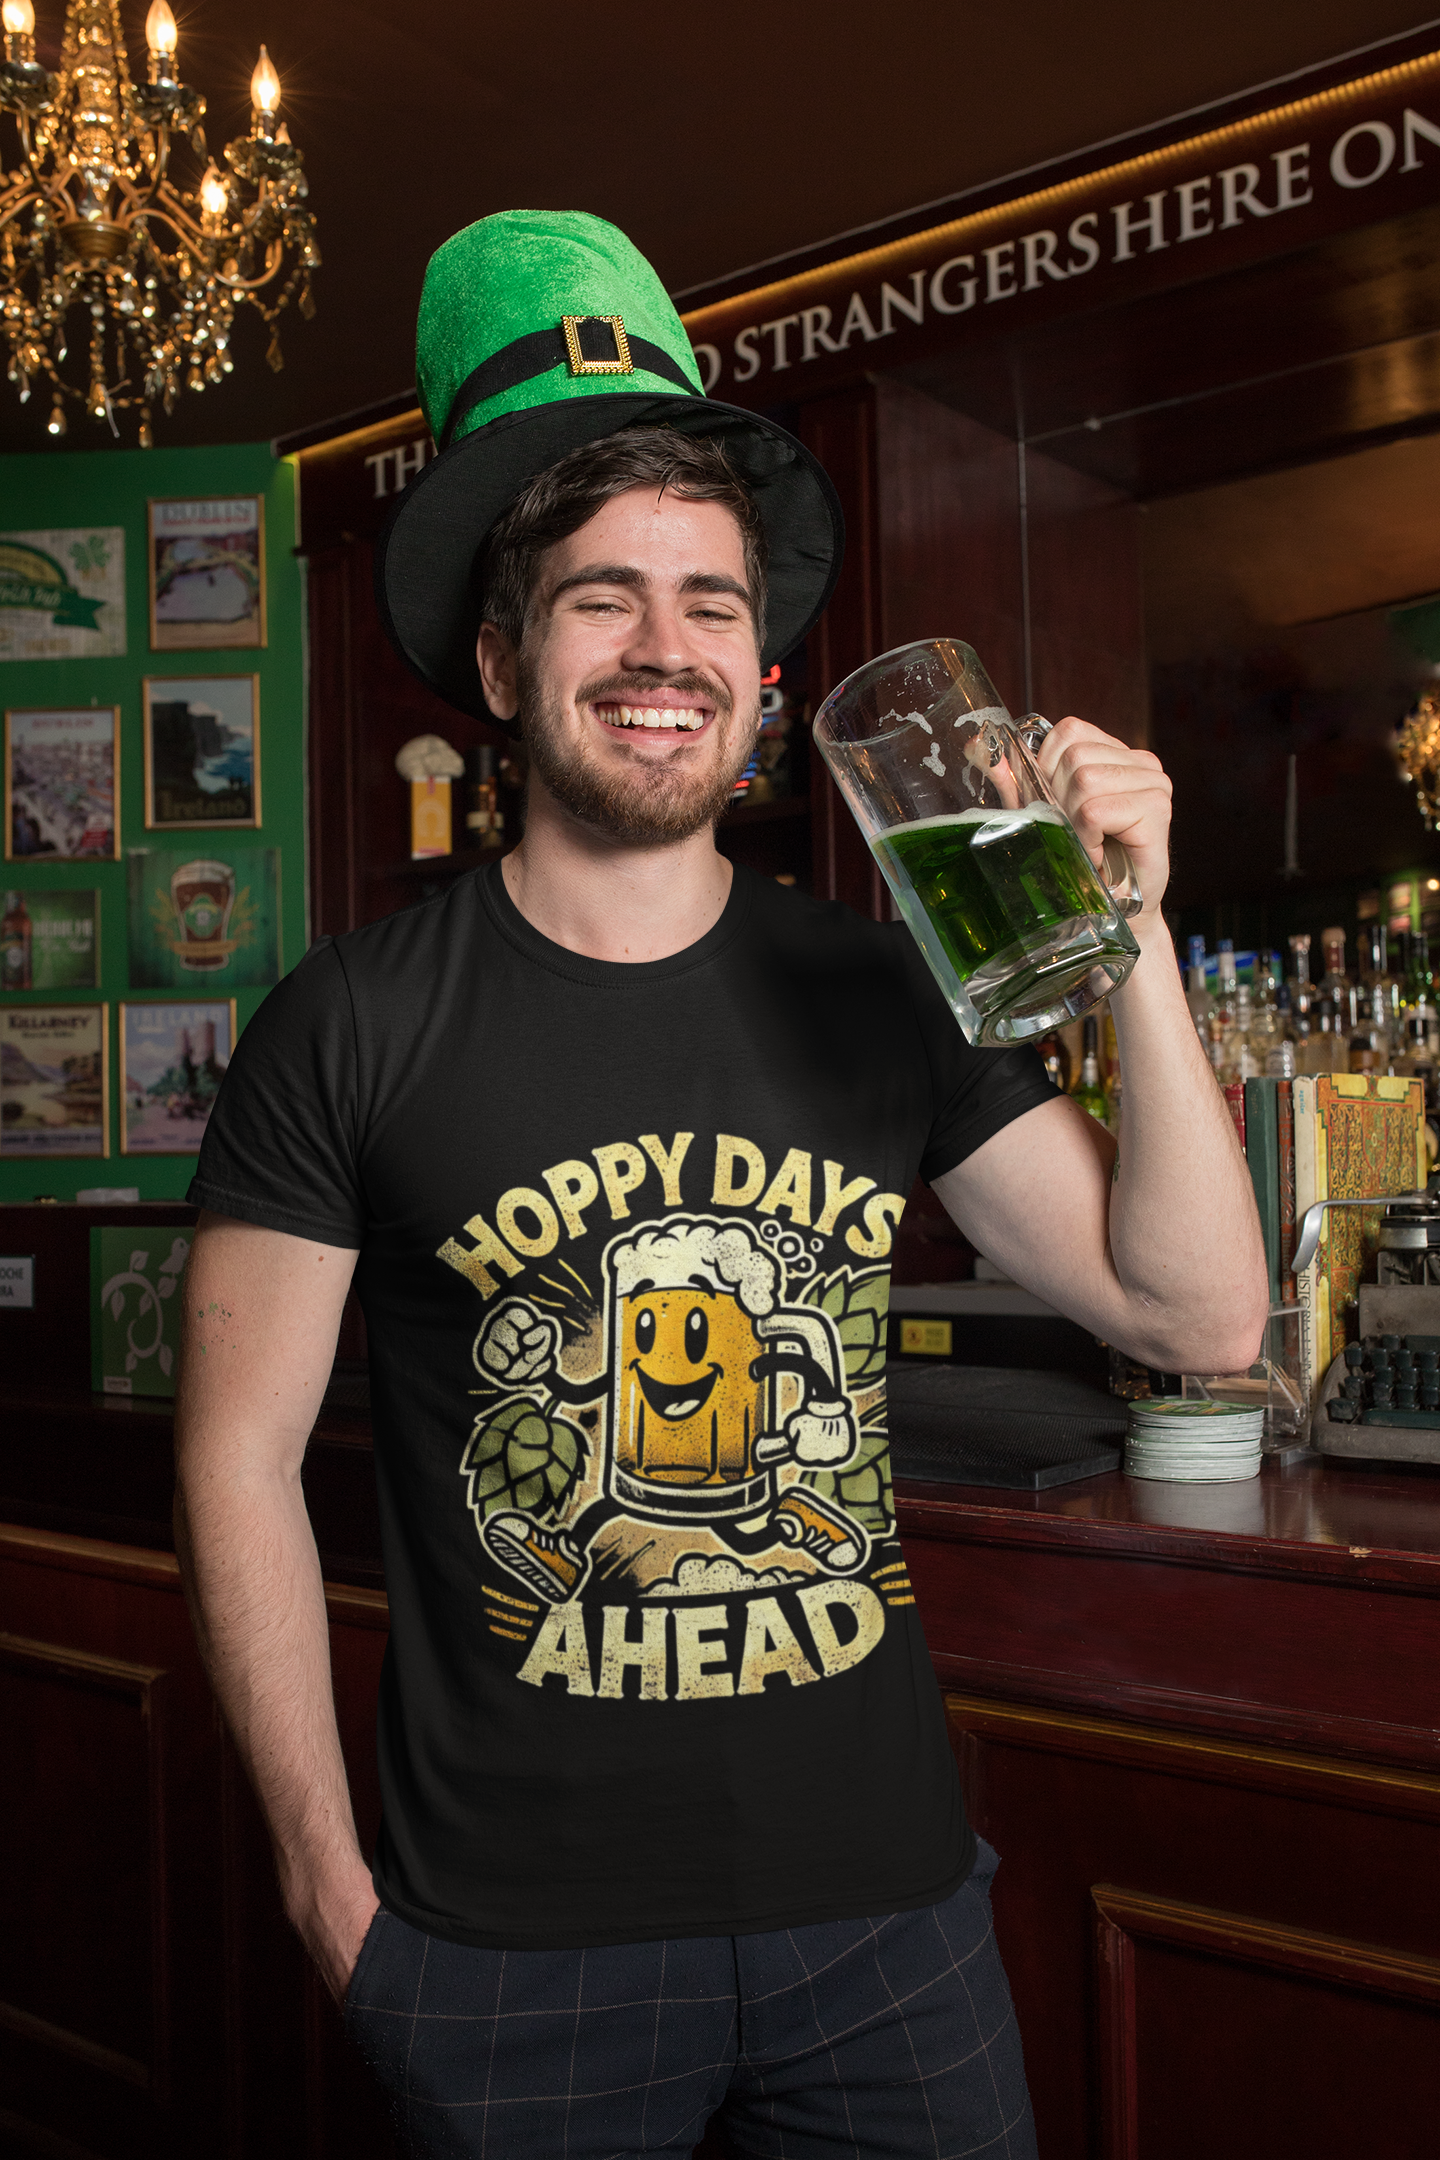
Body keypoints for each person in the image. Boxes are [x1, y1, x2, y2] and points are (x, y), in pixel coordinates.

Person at [174, 211, 1268, 2159]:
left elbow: (1195, 1318)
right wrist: (326, 1894)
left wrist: (1143, 943)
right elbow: (237, 1457)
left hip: (887, 1925)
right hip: (505, 1943)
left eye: (710, 604)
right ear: (502, 663)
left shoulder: (880, 982)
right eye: (603, 601)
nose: (669, 651)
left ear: (763, 682)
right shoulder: (346, 1024)